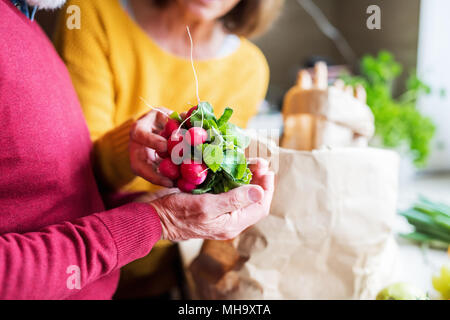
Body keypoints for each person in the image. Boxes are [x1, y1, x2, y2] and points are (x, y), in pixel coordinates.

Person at [0, 0, 274, 300]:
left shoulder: (25, 24)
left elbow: (57, 194)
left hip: (151, 270)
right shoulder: (85, 13)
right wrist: (157, 220)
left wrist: (156, 212)